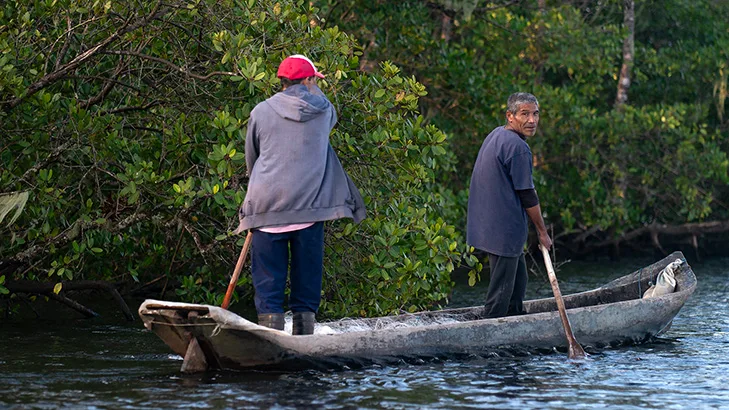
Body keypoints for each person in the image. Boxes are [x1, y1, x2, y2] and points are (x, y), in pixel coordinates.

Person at [234, 54, 366, 335]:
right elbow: (324, 110)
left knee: (269, 286)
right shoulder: (324, 111)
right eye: (313, 80)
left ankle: (271, 340)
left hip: (266, 207)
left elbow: (251, 159)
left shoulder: (260, 111)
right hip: (309, 209)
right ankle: (303, 338)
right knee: (306, 284)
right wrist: (312, 84)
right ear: (308, 81)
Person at [466, 92, 552, 318]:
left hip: (490, 225)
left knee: (518, 284)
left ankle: (515, 323)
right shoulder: (518, 148)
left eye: (535, 114)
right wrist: (542, 233)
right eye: (525, 114)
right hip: (503, 229)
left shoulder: (497, 134)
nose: (532, 120)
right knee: (501, 293)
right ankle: (490, 333)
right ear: (510, 116)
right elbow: (528, 195)